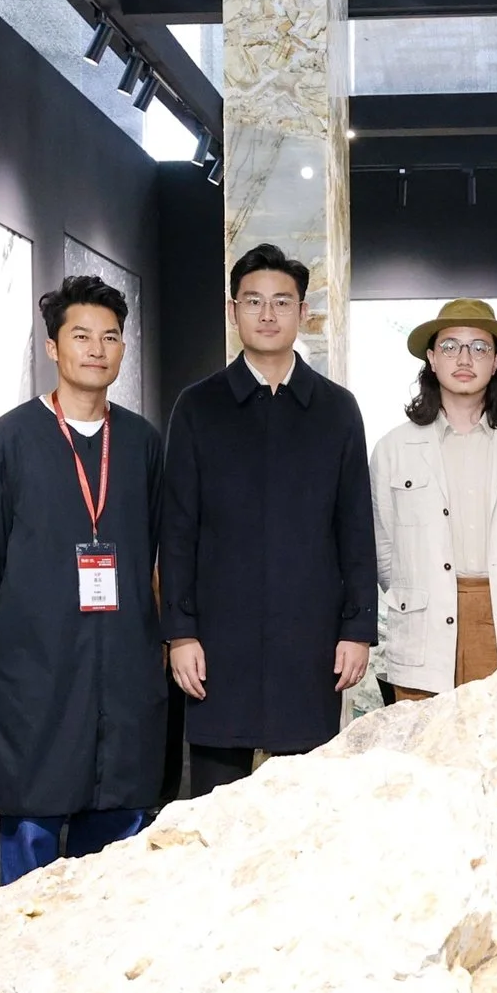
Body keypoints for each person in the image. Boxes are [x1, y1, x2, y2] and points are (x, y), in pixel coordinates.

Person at [0, 274, 166, 882]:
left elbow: (157, 545)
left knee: (117, 857)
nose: (97, 349)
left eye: (111, 337)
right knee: (33, 830)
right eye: (82, 336)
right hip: (38, 671)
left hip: (123, 668)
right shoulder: (7, 442)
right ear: (53, 348)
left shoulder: (141, 442)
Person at [161, 243, 377, 795]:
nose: (267, 314)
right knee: (213, 809)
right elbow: (178, 530)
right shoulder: (198, 406)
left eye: (282, 302)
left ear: (303, 313)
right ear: (232, 311)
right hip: (218, 640)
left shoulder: (337, 409)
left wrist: (357, 629)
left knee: (307, 808)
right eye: (253, 301)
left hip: (310, 640)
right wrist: (180, 633)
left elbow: (354, 528)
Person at [369, 299, 497, 701]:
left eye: (479, 347)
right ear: (432, 359)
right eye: (451, 346)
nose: (464, 358)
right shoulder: (393, 448)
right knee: (423, 755)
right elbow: (384, 549)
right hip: (424, 627)